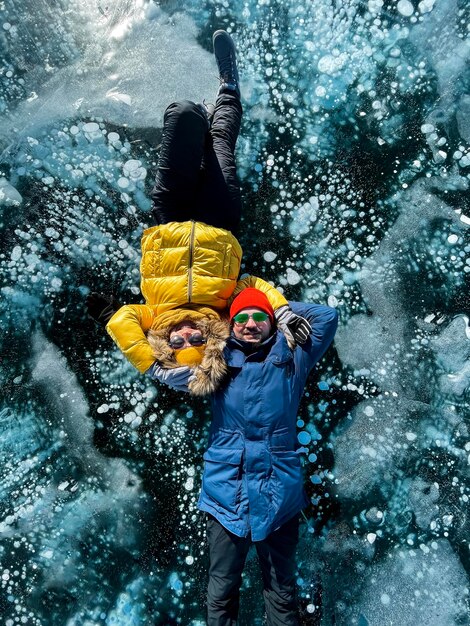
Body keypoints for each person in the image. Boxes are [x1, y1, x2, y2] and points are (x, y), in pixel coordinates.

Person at [87, 30, 310, 396]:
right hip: (219, 220)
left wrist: (151, 367)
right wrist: (283, 313)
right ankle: (229, 85)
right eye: (196, 341)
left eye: (178, 343)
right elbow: (255, 286)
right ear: (209, 342)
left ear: (165, 343)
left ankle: (203, 114)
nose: (186, 334)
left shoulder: (152, 316)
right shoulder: (224, 315)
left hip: (170, 217)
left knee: (184, 113)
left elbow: (122, 320)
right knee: (220, 139)